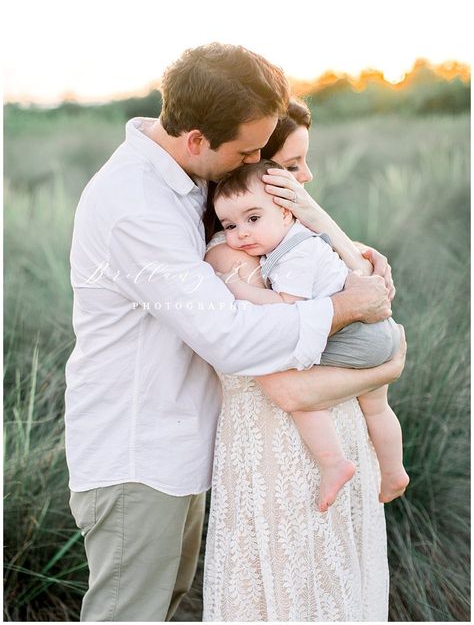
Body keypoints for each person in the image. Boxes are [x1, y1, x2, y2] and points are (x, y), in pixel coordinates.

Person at [65, 46, 402, 622]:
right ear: (196, 139)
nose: (254, 163)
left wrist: (345, 257)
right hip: (137, 451)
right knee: (130, 614)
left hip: (185, 445)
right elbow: (227, 336)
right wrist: (351, 309)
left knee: (164, 605)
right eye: (246, 152)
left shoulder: (188, 176)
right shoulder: (135, 204)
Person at [203, 99, 406, 621]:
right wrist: (388, 367)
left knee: (340, 590)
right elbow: (287, 386)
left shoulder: (285, 238)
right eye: (292, 168)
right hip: (279, 451)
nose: (307, 175)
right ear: (256, 171)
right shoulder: (232, 254)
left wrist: (325, 224)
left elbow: (368, 292)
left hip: (334, 434)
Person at [212, 159, 409, 512]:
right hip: (376, 332)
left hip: (356, 336)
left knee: (296, 372)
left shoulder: (293, 253)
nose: (241, 233)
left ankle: (334, 461)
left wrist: (239, 288)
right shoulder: (301, 241)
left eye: (253, 219)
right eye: (230, 225)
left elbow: (288, 307)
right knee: (377, 407)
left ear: (287, 214)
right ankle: (394, 472)